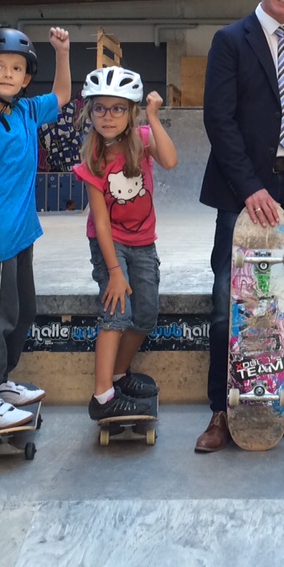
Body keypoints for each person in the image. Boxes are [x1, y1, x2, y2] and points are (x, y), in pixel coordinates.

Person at [195, 0, 284, 452]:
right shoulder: (230, 41)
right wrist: (250, 187)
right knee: (231, 302)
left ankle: (272, 408)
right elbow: (218, 120)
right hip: (242, 189)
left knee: (277, 308)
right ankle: (220, 414)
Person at [0, 26, 71, 430]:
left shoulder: (25, 111)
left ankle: (0, 382)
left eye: (16, 68)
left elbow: (61, 96)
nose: (7, 74)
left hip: (22, 234)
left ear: (26, 78)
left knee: (24, 312)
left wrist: (62, 52)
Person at [75, 66, 178, 422]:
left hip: (144, 242)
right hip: (110, 243)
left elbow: (170, 160)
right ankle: (102, 396)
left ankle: (119, 376)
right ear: (89, 112)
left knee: (146, 314)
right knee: (117, 313)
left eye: (118, 108)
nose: (108, 116)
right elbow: (100, 222)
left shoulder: (143, 139)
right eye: (99, 108)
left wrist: (153, 116)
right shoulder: (92, 158)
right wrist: (115, 272)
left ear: (131, 112)